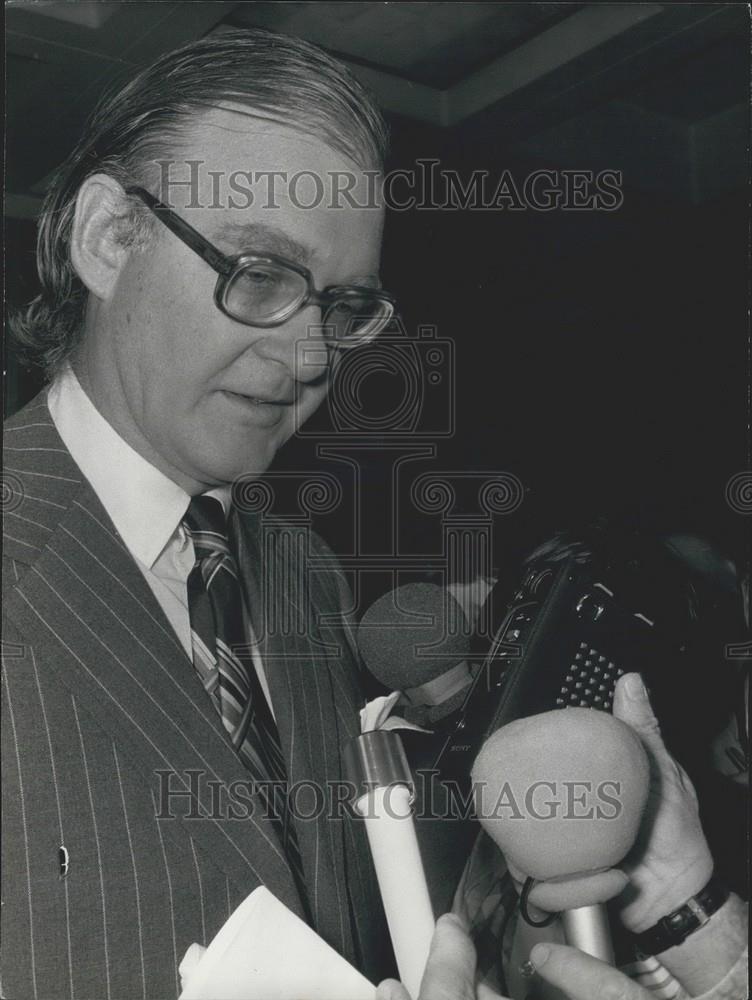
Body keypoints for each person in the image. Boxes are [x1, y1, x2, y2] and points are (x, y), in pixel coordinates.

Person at [2, 26, 746, 1000]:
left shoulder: (300, 568)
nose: (313, 358)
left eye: (344, 305)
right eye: (261, 275)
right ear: (109, 235)